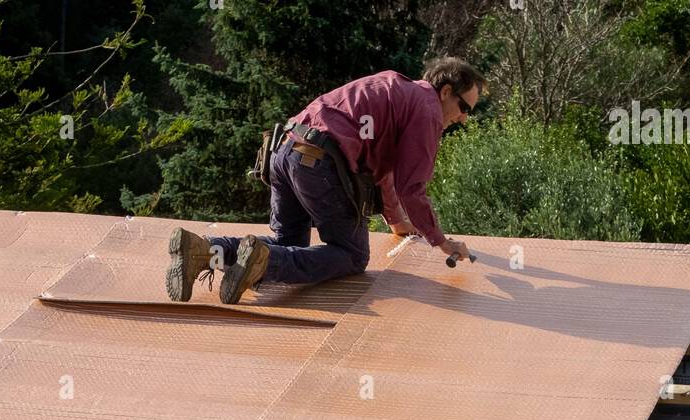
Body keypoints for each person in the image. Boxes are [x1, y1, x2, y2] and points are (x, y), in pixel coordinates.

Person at [165, 59, 482, 305]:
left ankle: (205, 251)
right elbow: (411, 186)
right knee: (352, 255)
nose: (464, 118)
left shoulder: (394, 87)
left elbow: (382, 171)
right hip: (317, 162)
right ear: (445, 91)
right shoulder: (427, 111)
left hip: (283, 150)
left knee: (291, 242)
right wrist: (439, 240)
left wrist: (397, 222)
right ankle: (263, 264)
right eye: (464, 108)